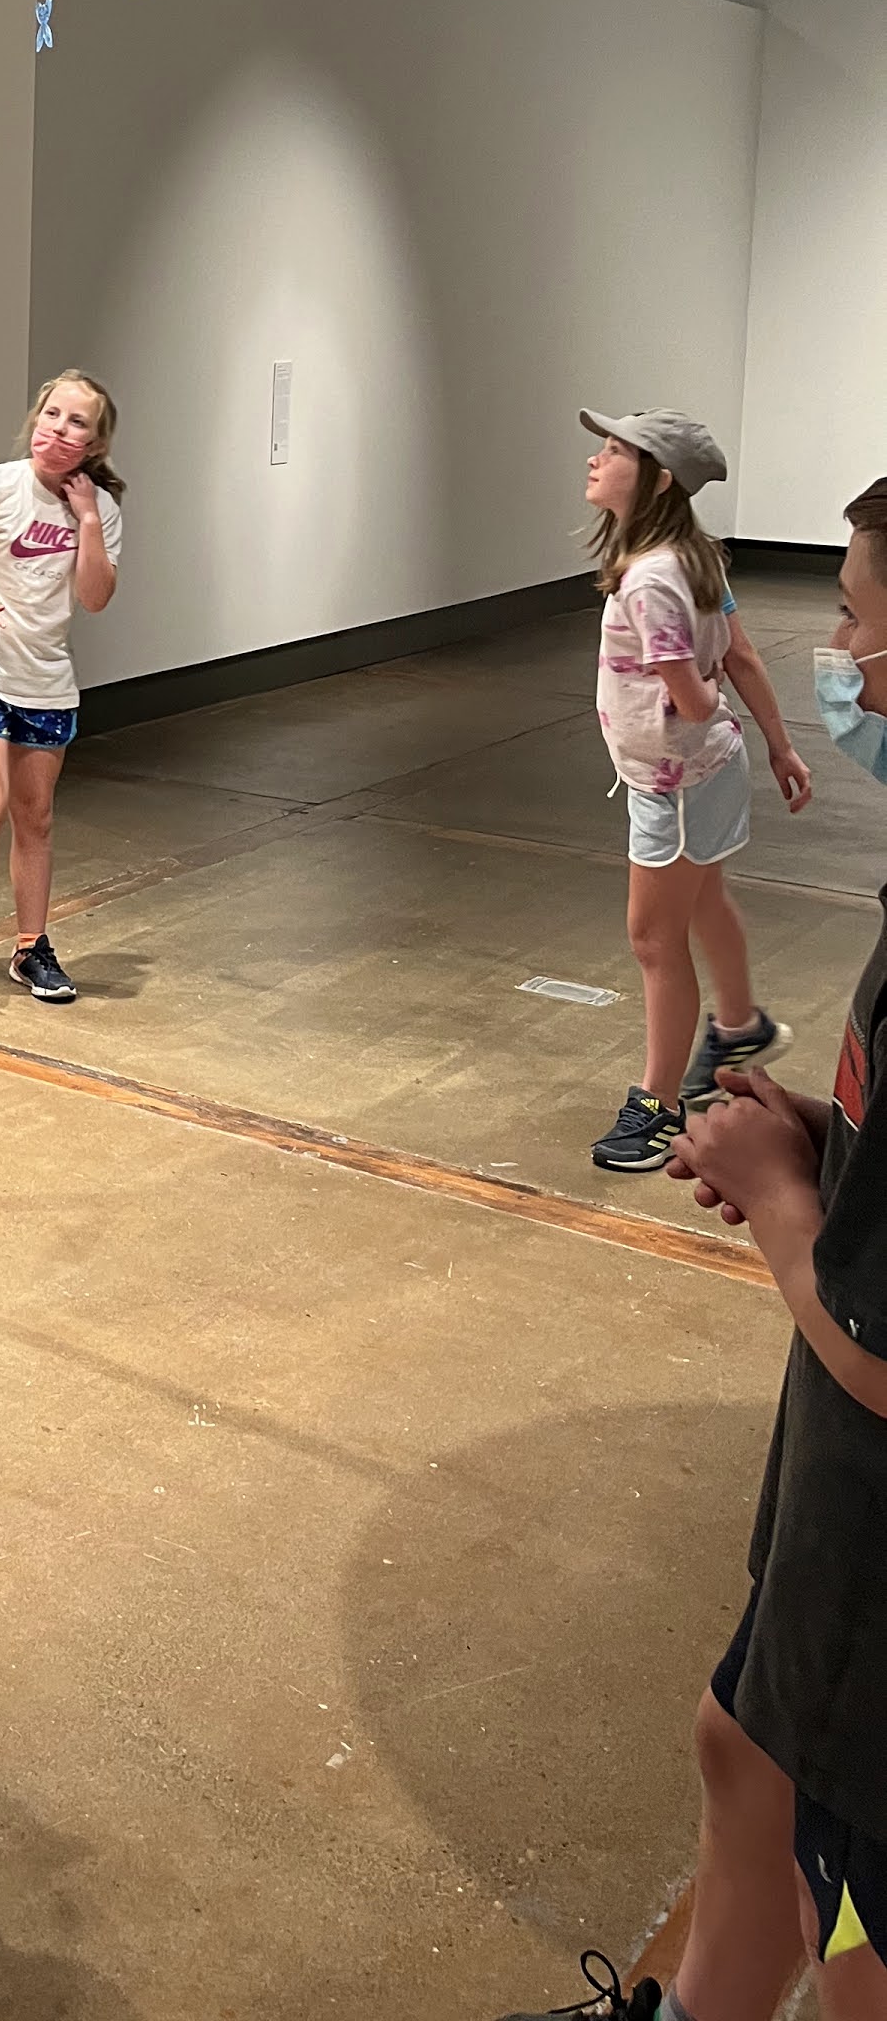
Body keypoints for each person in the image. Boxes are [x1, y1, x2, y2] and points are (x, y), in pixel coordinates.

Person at [504, 479, 887, 2021]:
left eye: (858, 616)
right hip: (835, 1510)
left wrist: (791, 1217)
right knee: (745, 1749)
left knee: (858, 1926)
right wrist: (819, 1139)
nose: (838, 647)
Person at [580, 408, 810, 1176]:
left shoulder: (649, 579)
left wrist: (693, 695)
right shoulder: (694, 554)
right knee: (704, 902)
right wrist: (779, 744)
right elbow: (741, 652)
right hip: (708, 774)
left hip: (673, 786)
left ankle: (657, 1107)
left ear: (658, 478)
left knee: (653, 940)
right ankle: (740, 1028)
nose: (596, 461)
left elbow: (702, 691)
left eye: (614, 452)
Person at [0, 371, 123, 1006]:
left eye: (76, 422)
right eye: (51, 414)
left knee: (34, 818)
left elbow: (94, 598)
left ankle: (32, 947)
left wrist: (87, 517)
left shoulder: (102, 511)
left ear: (93, 442)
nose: (58, 429)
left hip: (47, 682)